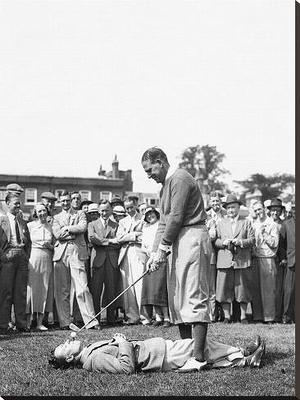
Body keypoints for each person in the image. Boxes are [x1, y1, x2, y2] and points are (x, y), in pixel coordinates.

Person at [141, 147, 211, 373]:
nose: (149, 175)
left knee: (193, 294)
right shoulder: (163, 190)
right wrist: (155, 252)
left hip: (192, 235)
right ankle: (187, 352)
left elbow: (178, 216)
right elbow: (163, 223)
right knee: (177, 298)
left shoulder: (180, 177)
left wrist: (163, 248)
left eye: (150, 169)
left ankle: (199, 358)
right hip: (178, 240)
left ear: (160, 162)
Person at [49, 332, 266, 373]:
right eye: (65, 346)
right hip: (157, 356)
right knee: (198, 345)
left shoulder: (89, 350)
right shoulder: (92, 361)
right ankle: (242, 353)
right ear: (70, 358)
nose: (68, 341)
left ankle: (244, 360)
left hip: (157, 351)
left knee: (202, 356)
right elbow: (126, 368)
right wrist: (123, 342)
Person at [52, 191, 99, 330]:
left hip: (77, 253)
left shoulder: (80, 214)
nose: (66, 203)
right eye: (64, 201)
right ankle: (64, 322)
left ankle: (90, 321)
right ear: (60, 202)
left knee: (82, 288)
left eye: (68, 200)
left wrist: (66, 228)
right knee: (62, 290)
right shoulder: (56, 217)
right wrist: (70, 235)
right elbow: (57, 234)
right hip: (61, 254)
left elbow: (82, 227)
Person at [214, 194, 255, 324]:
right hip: (224, 260)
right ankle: (227, 316)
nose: (231, 210)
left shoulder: (246, 222)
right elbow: (215, 241)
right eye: (229, 208)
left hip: (241, 260)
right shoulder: (221, 223)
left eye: (234, 207)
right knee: (224, 289)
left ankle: (243, 317)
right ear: (226, 209)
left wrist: (240, 242)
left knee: (242, 289)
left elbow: (253, 240)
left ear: (238, 208)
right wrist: (223, 243)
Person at [0, 192, 31, 333]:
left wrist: (25, 256)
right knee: (6, 292)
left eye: (19, 203)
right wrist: (3, 256)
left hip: (21, 256)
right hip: (7, 256)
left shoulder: (23, 222)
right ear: (7, 204)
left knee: (21, 292)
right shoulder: (2, 221)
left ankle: (21, 324)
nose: (18, 205)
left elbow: (28, 242)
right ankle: (3, 324)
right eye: (15, 203)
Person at [88, 200, 121, 326]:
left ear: (111, 211)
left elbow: (119, 241)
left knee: (111, 290)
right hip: (98, 261)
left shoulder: (116, 224)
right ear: (98, 211)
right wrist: (110, 242)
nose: (104, 213)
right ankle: (96, 319)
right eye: (102, 210)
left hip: (112, 261)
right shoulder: (92, 224)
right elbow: (92, 238)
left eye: (106, 210)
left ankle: (111, 319)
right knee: (95, 291)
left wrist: (103, 241)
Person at [139, 207, 170, 327]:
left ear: (156, 214)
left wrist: (156, 253)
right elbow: (143, 246)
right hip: (149, 259)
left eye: (151, 213)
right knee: (152, 290)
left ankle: (167, 317)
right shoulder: (145, 228)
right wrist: (148, 251)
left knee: (160, 288)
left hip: (160, 258)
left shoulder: (161, 226)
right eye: (147, 215)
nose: (150, 216)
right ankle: (158, 317)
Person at [116, 199, 145, 325]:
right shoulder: (122, 221)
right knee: (128, 285)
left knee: (140, 284)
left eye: (131, 207)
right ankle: (131, 316)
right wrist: (134, 235)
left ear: (136, 206)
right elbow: (119, 238)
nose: (129, 210)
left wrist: (128, 236)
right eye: (127, 208)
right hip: (126, 254)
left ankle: (144, 316)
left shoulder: (143, 219)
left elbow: (145, 236)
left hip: (139, 252)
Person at [26, 203, 54, 331]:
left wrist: (50, 246)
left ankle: (39, 323)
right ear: (35, 213)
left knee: (44, 288)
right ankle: (27, 322)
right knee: (31, 289)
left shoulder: (51, 227)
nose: (42, 213)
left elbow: (55, 245)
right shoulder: (30, 226)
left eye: (44, 210)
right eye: (39, 211)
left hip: (47, 258)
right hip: (34, 257)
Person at [251, 201, 279, 323]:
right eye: (256, 210)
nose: (258, 212)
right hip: (256, 258)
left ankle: (269, 317)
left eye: (259, 209)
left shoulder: (272, 224)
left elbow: (275, 243)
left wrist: (265, 234)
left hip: (268, 258)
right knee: (255, 289)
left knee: (268, 289)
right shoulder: (254, 224)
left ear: (264, 209)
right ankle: (257, 316)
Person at [205, 192, 227, 322]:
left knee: (223, 284)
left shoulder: (226, 215)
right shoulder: (206, 216)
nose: (215, 204)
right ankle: (212, 314)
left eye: (217, 201)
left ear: (221, 202)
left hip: (224, 252)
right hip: (211, 253)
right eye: (213, 201)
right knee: (211, 284)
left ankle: (224, 314)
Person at [267, 198, 285, 322]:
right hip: (268, 259)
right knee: (269, 288)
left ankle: (279, 314)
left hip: (280, 260)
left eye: (277, 210)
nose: (275, 213)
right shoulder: (266, 223)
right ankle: (269, 314)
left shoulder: (284, 224)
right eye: (273, 210)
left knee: (279, 289)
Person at [277, 202, 295, 324]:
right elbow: (281, 245)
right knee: (289, 290)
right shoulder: (286, 224)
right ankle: (286, 316)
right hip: (291, 261)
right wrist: (283, 258)